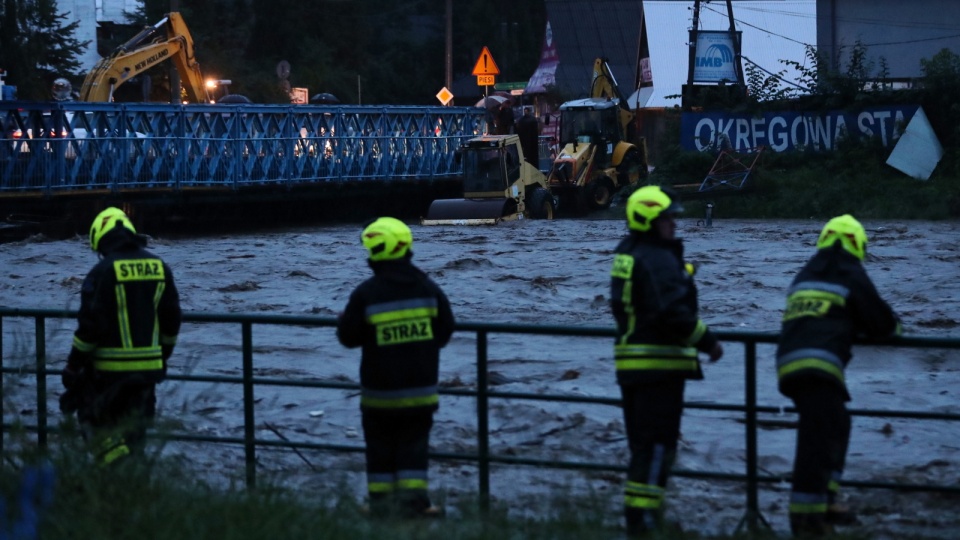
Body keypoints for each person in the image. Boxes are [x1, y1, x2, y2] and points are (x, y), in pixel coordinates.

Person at [609, 186, 723, 537]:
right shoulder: (655, 257)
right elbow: (673, 314)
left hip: (632, 366)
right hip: (658, 367)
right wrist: (708, 342)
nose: (674, 224)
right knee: (658, 448)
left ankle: (640, 517)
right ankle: (643, 522)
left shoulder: (627, 252)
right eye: (667, 218)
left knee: (643, 448)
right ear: (648, 220)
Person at [777, 214, 900, 537]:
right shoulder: (849, 270)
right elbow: (882, 322)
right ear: (857, 244)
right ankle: (807, 520)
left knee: (836, 423)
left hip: (789, 363)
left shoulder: (807, 271)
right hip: (820, 366)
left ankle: (827, 498)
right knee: (816, 441)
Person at [337, 217, 455, 519]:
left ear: (375, 251)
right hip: (421, 392)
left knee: (379, 453)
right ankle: (416, 506)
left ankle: (381, 507)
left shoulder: (366, 293)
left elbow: (347, 337)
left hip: (379, 394)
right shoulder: (429, 288)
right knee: (414, 451)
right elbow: (445, 329)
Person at [60, 207, 181, 466]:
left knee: (92, 422)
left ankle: (117, 471)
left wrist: (73, 365)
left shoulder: (103, 272)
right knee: (135, 432)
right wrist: (162, 355)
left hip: (108, 373)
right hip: (148, 372)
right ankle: (134, 481)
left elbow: (89, 327)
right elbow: (171, 322)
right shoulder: (160, 267)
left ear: (101, 240)